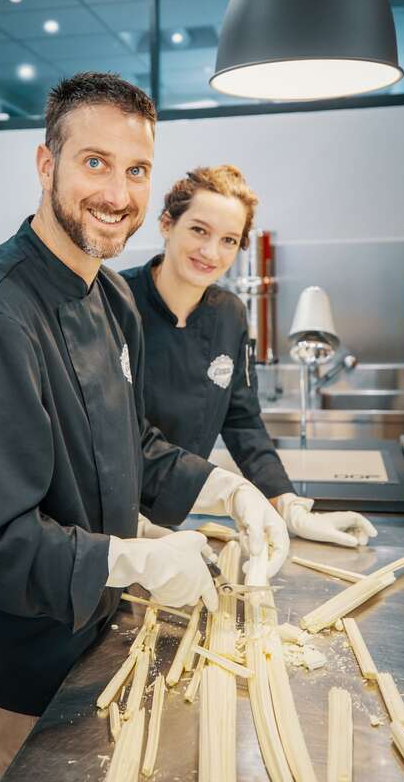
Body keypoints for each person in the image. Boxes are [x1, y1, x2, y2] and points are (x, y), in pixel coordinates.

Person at [0, 74, 289, 780]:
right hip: (30, 634)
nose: (117, 195)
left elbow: (134, 445)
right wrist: (138, 559)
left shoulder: (112, 295)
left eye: (136, 170)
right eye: (94, 163)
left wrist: (230, 490)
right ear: (45, 163)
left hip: (105, 617)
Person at [121, 165, 377, 549]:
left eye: (228, 240)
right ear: (166, 224)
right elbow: (115, 430)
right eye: (199, 230)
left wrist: (288, 505)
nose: (211, 252)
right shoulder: (114, 302)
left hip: (177, 511)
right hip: (110, 515)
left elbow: (241, 420)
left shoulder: (230, 314)